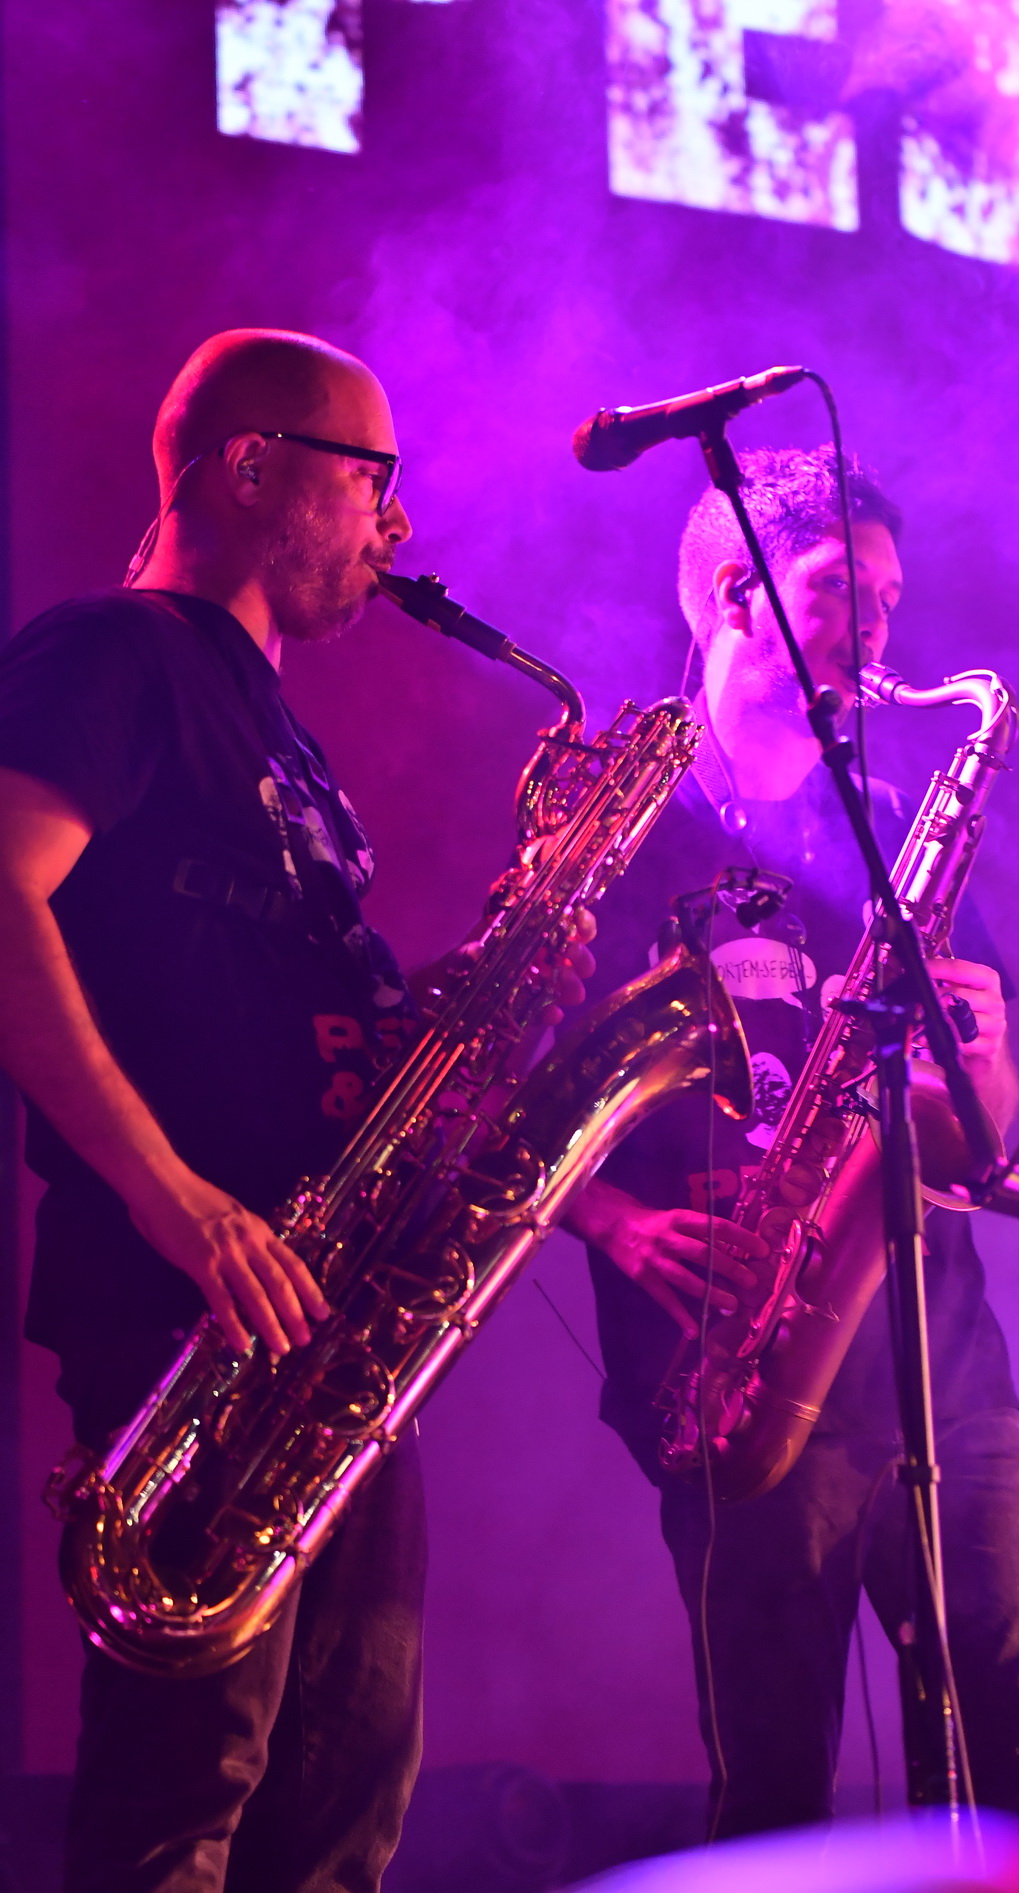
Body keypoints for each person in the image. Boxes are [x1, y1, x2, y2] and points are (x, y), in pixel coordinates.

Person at [0, 328, 591, 1892]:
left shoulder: (276, 731)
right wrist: (177, 1199)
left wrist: (470, 1003)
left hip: (322, 1320)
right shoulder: (113, 654)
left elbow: (261, 984)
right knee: (183, 1805)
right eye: (370, 476)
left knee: (335, 1817)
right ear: (251, 467)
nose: (397, 521)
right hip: (197, 1310)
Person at [564, 447, 1019, 1888]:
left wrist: (985, 1058)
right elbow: (511, 1099)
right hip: (731, 1359)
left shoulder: (893, 826)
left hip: (939, 1360)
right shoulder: (622, 834)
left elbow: (982, 1132)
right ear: (739, 589)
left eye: (890, 598)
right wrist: (615, 1223)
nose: (878, 627)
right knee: (777, 1800)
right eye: (842, 589)